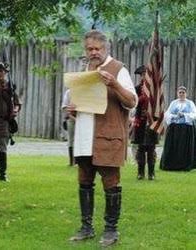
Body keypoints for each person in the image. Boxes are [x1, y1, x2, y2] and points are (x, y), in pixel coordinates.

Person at [66, 30, 137, 247]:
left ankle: (111, 230)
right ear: (85, 50)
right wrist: (71, 109)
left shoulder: (118, 69)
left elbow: (132, 101)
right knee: (84, 181)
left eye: (98, 49)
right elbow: (73, 104)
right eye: (90, 49)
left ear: (105, 48)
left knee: (110, 183)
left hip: (108, 137)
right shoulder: (82, 72)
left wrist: (114, 84)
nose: (94, 52)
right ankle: (86, 227)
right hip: (84, 137)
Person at [130, 65, 159, 180]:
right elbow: (132, 103)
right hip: (140, 121)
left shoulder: (155, 89)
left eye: (146, 75)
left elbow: (158, 104)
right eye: (142, 75)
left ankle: (151, 173)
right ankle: (140, 172)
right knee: (141, 148)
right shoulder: (136, 88)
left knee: (151, 148)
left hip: (152, 121)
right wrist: (139, 99)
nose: (144, 77)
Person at [160, 86, 196, 171]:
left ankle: (185, 166)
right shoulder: (173, 103)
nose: (181, 94)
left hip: (186, 128)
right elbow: (167, 114)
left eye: (183, 92)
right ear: (177, 93)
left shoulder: (190, 103)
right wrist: (175, 116)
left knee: (184, 147)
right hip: (174, 128)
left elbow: (194, 114)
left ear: (186, 94)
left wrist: (184, 115)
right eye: (180, 92)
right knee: (173, 146)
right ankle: (171, 165)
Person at [62, 89, 76, 166]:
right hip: (71, 119)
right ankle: (72, 161)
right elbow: (64, 107)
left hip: (83, 120)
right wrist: (72, 117)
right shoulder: (69, 92)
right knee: (71, 140)